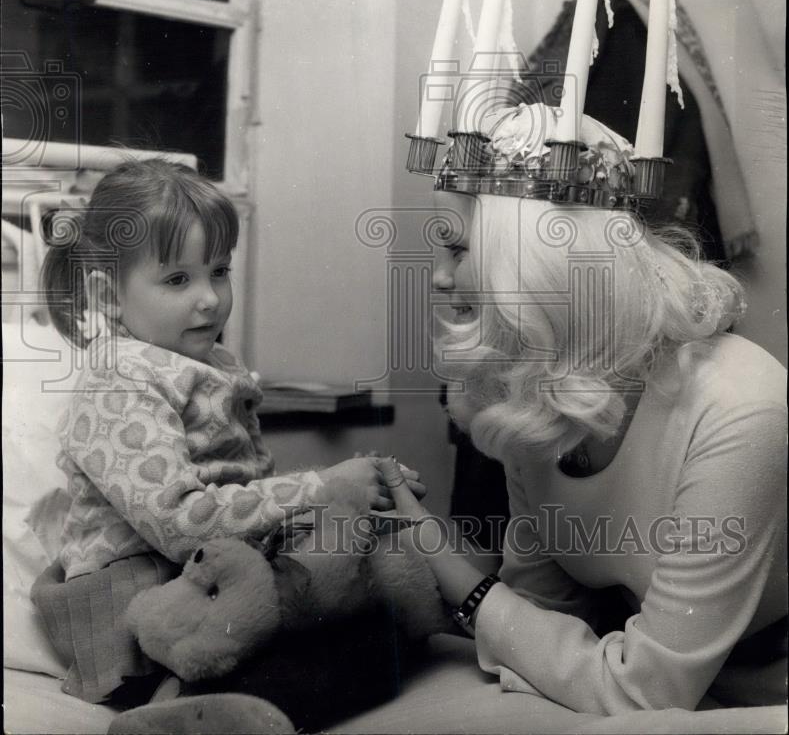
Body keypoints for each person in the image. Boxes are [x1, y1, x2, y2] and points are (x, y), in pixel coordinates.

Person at [394, 103, 787, 716]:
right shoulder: (532, 394)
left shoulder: (738, 407)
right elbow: (538, 616)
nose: (439, 279)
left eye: (460, 250)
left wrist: (457, 578)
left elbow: (645, 690)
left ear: (534, 261)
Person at [34, 157, 423, 718]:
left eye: (219, 270)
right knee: (342, 633)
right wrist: (319, 488)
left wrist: (353, 493)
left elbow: (245, 492)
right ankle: (180, 707)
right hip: (133, 605)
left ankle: (213, 707)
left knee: (380, 622)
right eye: (177, 279)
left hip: (207, 581)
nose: (210, 298)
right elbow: (177, 523)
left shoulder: (211, 364)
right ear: (108, 295)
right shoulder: (121, 380)